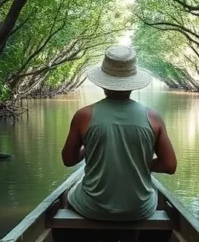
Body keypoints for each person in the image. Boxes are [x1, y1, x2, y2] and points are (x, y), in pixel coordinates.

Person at [61, 45, 177, 222]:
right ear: (133, 83)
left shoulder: (83, 116)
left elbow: (68, 160)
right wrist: (141, 163)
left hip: (93, 208)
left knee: (71, 194)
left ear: (103, 82)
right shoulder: (153, 118)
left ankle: (97, 239)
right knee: (149, 197)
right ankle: (132, 238)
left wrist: (88, 150)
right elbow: (169, 166)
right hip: (139, 209)